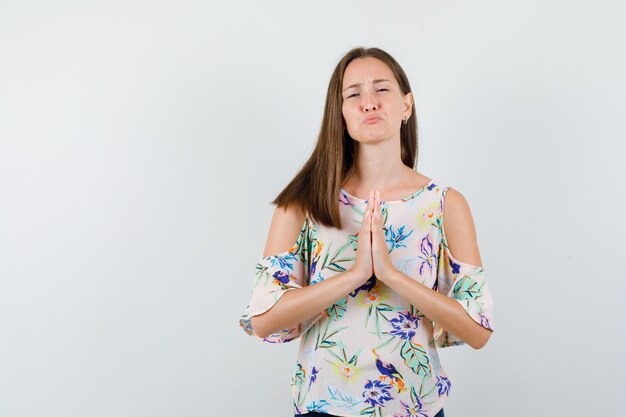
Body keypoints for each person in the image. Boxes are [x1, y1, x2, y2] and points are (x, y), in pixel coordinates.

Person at [238, 46, 494, 417]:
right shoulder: (303, 202)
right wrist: (356, 274)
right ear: (340, 115)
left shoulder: (445, 204)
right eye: (353, 94)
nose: (369, 103)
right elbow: (263, 320)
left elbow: (478, 330)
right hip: (323, 406)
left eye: (382, 90)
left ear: (407, 105)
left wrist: (390, 275)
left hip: (415, 408)